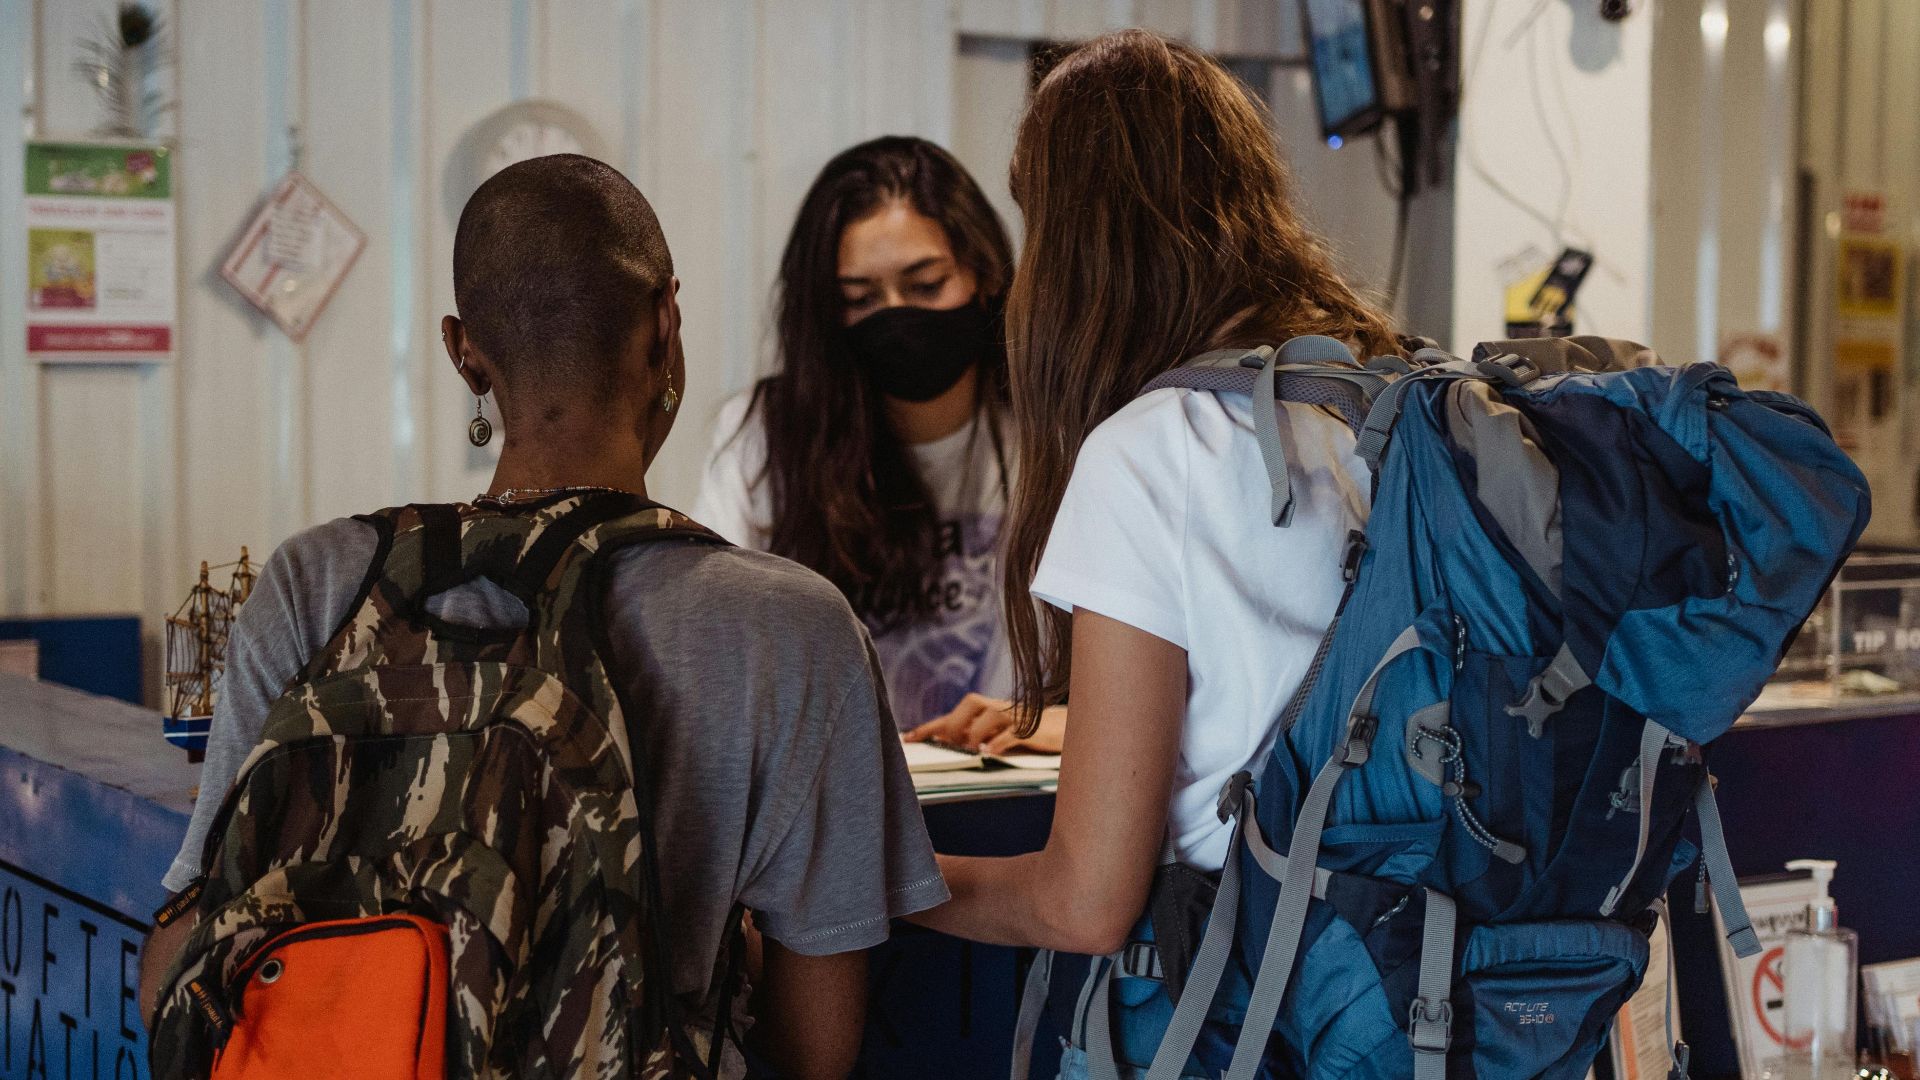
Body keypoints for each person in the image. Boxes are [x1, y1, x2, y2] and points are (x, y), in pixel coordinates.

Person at [141, 154, 946, 1079]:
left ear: (462, 349)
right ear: (665, 324)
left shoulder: (317, 583)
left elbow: (187, 960)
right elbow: (816, 1051)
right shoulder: (790, 630)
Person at [906, 30, 1404, 1075]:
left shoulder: (1151, 450)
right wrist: (1081, 731)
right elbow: (1299, 706)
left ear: (1081, 242)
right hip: (1418, 998)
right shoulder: (1389, 400)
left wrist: (888, 884)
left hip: (1254, 1015)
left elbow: (1084, 904)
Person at [695, 136, 1061, 748]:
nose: (897, 316)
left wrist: (1054, 721)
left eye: (925, 285)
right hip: (829, 799)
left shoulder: (1051, 436)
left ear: (986, 272)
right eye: (860, 299)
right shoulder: (765, 434)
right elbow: (713, 637)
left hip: (1006, 790)